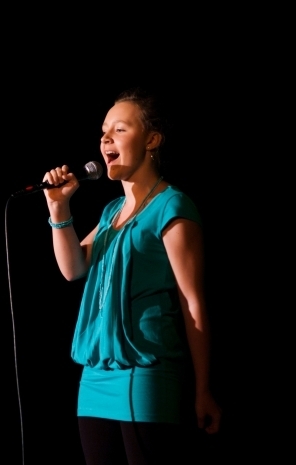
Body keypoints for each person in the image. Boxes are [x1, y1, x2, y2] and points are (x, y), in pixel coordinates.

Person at [42, 87, 222, 464]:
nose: (106, 138)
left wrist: (204, 388)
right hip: (94, 377)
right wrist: (59, 209)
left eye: (120, 129)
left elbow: (193, 303)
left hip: (146, 374)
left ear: (152, 140)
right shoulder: (111, 212)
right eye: (104, 131)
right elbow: (73, 269)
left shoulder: (171, 206)